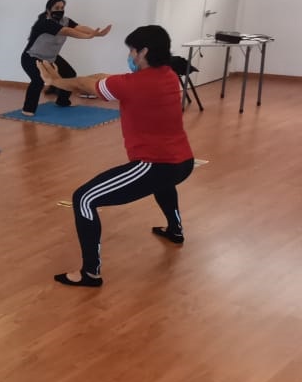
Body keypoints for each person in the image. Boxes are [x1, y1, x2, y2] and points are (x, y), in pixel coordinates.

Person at [38, 25, 194, 288]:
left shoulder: (134, 84)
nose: (130, 55)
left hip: (154, 165)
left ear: (143, 52)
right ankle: (175, 229)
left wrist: (54, 81)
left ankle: (90, 273)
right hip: (183, 162)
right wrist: (69, 79)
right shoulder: (167, 75)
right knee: (164, 184)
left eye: (132, 50)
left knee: (84, 199)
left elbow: (85, 85)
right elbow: (102, 78)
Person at [20, 0, 111, 116]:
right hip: (31, 57)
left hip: (51, 57)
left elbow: (79, 27)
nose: (60, 10)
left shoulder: (65, 20)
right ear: (48, 10)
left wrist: (96, 33)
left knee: (69, 74)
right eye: (56, 8)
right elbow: (67, 31)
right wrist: (88, 37)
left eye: (62, 8)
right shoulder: (45, 22)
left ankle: (62, 101)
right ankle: (28, 109)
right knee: (38, 80)